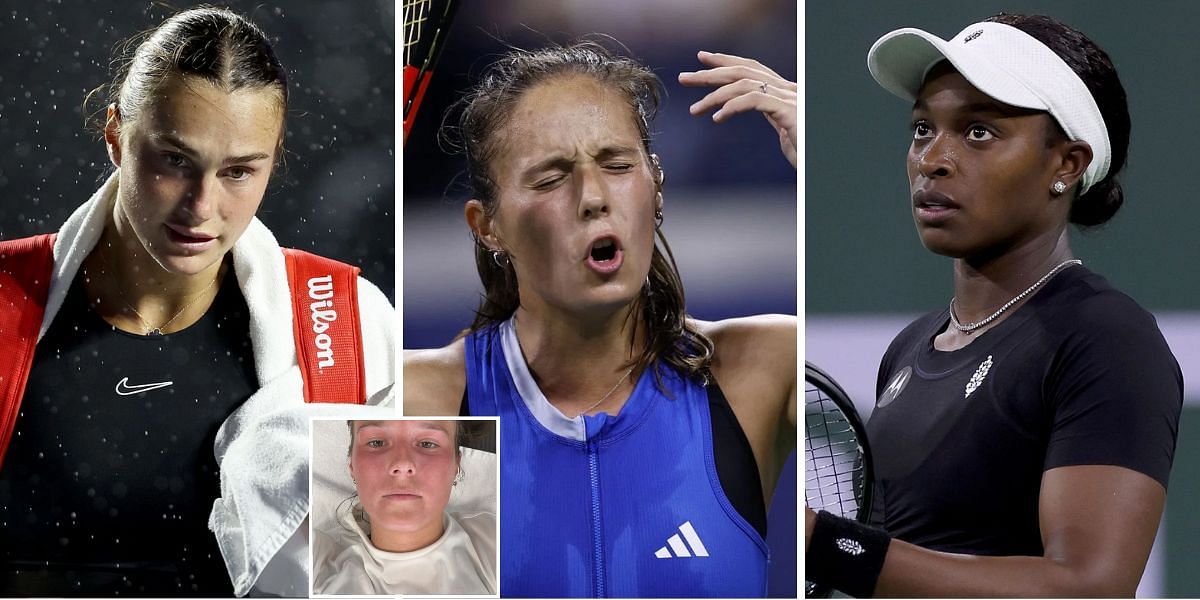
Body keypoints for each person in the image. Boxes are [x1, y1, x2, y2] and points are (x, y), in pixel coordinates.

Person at [0, 7, 394, 597]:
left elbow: (419, 570)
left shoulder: (355, 325)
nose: (201, 206)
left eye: (238, 171)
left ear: (273, 160)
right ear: (115, 136)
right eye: (175, 161)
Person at [804, 14, 1183, 597]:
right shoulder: (907, 350)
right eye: (922, 128)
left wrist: (829, 547)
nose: (934, 158)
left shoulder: (1105, 339)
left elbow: (1088, 587)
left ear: (1067, 164)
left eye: (979, 131)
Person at [404, 41, 797, 597]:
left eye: (617, 166)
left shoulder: (766, 365)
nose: (593, 196)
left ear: (655, 186)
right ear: (488, 226)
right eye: (550, 178)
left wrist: (821, 158)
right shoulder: (414, 401)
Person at [312, 420, 497, 595]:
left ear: (456, 464)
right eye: (376, 442)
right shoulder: (316, 565)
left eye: (427, 444)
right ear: (351, 464)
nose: (402, 464)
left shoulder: (497, 543)